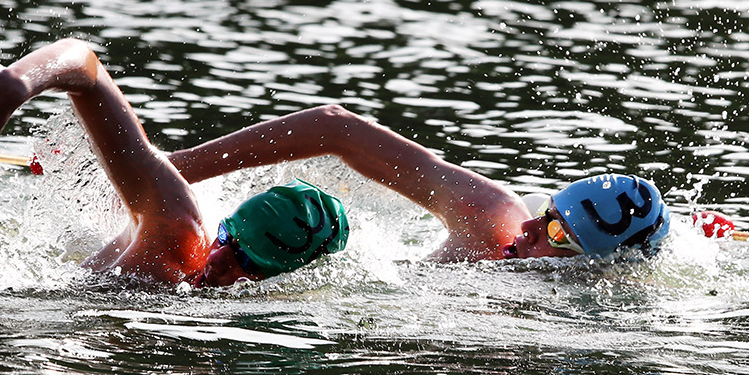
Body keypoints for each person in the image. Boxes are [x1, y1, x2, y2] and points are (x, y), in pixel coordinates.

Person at [0, 38, 348, 287]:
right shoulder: (177, 230)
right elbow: (86, 68)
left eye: (245, 262)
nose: (217, 261)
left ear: (282, 279)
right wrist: (15, 84)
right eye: (228, 236)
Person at [165, 105, 671, 263]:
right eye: (548, 212)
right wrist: (176, 168)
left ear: (601, 269)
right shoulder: (490, 220)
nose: (533, 228)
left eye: (559, 235)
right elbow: (335, 127)